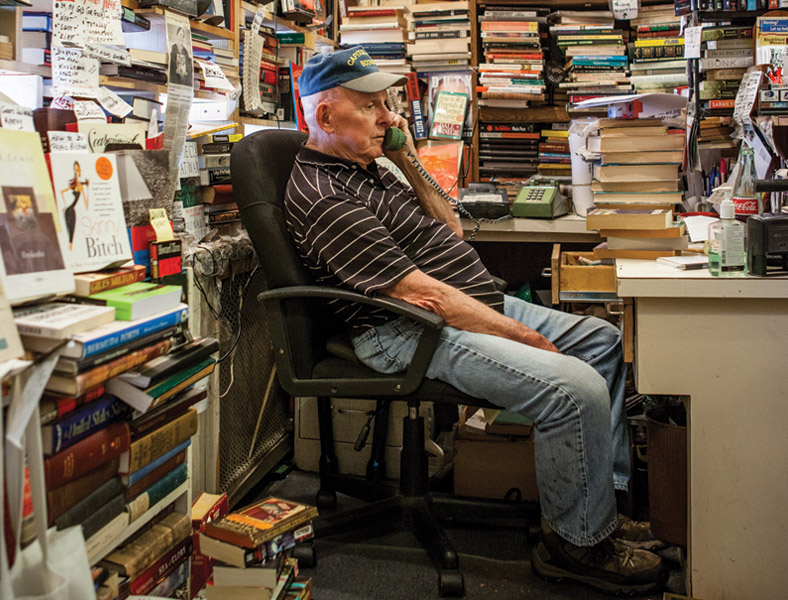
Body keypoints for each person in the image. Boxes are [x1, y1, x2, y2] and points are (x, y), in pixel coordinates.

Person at [283, 46, 667, 596]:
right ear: (324, 116)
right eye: (371, 107)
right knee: (574, 384)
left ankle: (599, 509)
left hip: (467, 307)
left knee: (602, 342)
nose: (389, 117)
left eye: (387, 104)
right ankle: (575, 546)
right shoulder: (323, 195)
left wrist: (407, 158)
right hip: (409, 334)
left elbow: (451, 230)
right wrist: (525, 337)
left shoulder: (371, 168)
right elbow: (422, 295)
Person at [59, 160, 89, 250]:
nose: (77, 172)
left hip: (71, 210)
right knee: (70, 235)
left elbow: (86, 204)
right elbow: (62, 192)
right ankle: (69, 251)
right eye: (75, 170)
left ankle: (70, 251)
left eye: (78, 170)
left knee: (71, 235)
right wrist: (64, 205)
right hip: (70, 210)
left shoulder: (80, 185)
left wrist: (87, 188)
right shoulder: (77, 185)